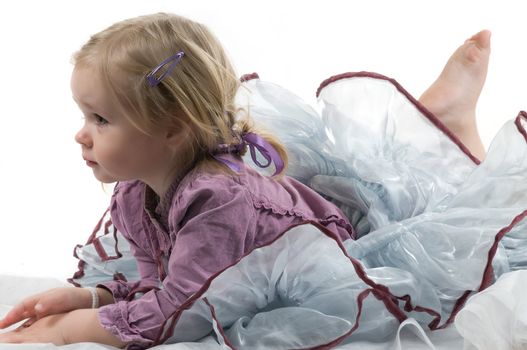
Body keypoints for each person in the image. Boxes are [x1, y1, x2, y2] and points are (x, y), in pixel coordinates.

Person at [0, 12, 497, 349]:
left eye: (100, 120)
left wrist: (70, 329)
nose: (80, 135)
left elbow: (182, 311)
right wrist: (94, 298)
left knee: (454, 241)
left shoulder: (218, 201)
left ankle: (445, 132)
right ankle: (434, 127)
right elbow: (165, 286)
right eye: (85, 115)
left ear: (172, 128)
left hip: (332, 255)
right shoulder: (135, 193)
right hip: (272, 235)